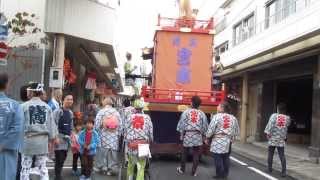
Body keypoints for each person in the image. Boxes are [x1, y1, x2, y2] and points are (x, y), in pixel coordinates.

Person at [20, 82, 58, 180]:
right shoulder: (47, 107)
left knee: (25, 168)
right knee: (43, 168)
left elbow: (19, 126)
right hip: (42, 141)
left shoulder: (23, 106)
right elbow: (51, 128)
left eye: (29, 91)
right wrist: (52, 140)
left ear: (32, 92)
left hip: (27, 141)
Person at [205, 102, 239, 179]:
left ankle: (219, 173)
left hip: (218, 139)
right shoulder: (233, 118)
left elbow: (211, 128)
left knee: (217, 156)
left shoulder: (217, 117)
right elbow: (236, 130)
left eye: (219, 106)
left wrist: (207, 137)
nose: (217, 107)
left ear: (222, 108)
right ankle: (225, 174)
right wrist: (233, 138)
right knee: (226, 157)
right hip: (228, 140)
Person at [0, 73, 24, 180]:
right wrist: (3, 144)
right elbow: (17, 128)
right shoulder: (14, 105)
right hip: (6, 151)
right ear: (6, 85)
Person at [176, 96, 208, 176]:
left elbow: (182, 124)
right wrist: (204, 136)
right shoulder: (202, 113)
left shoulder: (186, 112)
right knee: (196, 153)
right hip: (197, 135)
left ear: (191, 103)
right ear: (199, 105)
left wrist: (181, 135)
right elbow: (205, 126)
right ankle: (193, 172)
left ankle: (182, 169)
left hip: (188, 134)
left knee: (184, 152)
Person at [125, 99, 153, 180]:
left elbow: (125, 131)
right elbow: (151, 132)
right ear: (142, 108)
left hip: (132, 144)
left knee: (131, 164)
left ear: (134, 108)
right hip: (144, 144)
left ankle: (129, 178)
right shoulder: (147, 118)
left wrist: (126, 141)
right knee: (141, 166)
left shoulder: (130, 117)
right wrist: (151, 140)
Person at [94, 97, 122, 175]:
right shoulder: (116, 112)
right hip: (113, 137)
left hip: (103, 136)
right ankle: (111, 169)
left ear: (104, 103)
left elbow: (97, 125)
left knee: (102, 152)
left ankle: (102, 168)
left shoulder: (101, 112)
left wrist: (97, 132)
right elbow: (120, 126)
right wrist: (118, 135)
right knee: (112, 152)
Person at [264, 103, 291, 177]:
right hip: (281, 139)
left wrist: (268, 134)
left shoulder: (274, 116)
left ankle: (269, 168)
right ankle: (284, 171)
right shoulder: (287, 118)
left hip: (273, 138)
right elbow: (287, 126)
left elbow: (270, 125)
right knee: (282, 155)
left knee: (270, 153)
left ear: (278, 109)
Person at [53, 94, 74, 180]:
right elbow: (53, 124)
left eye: (71, 99)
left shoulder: (70, 113)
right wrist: (56, 137)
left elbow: (71, 126)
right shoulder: (57, 111)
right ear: (63, 100)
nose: (70, 101)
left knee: (64, 157)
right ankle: (57, 176)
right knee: (59, 158)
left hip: (67, 139)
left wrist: (72, 135)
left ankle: (58, 174)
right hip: (59, 137)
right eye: (68, 99)